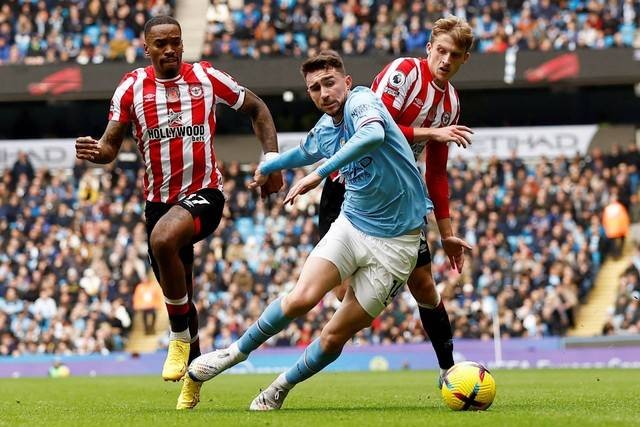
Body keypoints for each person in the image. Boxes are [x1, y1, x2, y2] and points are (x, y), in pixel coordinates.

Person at [188, 50, 429, 410]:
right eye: (315, 88)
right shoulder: (325, 128)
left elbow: (372, 135)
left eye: (329, 83)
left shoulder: (362, 101)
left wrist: (318, 175)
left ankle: (279, 387)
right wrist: (269, 165)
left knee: (334, 336)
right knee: (301, 297)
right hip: (352, 224)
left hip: (397, 245)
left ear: (346, 82)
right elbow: (303, 151)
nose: (323, 93)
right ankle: (235, 353)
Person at [74, 16, 282, 410]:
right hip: (158, 205)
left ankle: (178, 338)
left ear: (183, 44)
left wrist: (270, 160)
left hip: (204, 194)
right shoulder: (132, 88)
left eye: (176, 42)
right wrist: (96, 153)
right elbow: (110, 146)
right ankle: (194, 378)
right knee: (182, 294)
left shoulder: (206, 77)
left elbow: (257, 108)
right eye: (161, 44)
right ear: (147, 47)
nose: (169, 49)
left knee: (163, 240)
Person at [318, 16, 474, 382]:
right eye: (441, 51)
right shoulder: (404, 73)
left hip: (399, 197)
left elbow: (436, 173)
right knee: (342, 293)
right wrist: (431, 132)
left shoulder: (450, 103)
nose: (446, 60)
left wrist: (447, 232)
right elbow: (374, 127)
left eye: (455, 55)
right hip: (349, 183)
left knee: (424, 285)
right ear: (429, 48)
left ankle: (449, 370)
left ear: (465, 59)